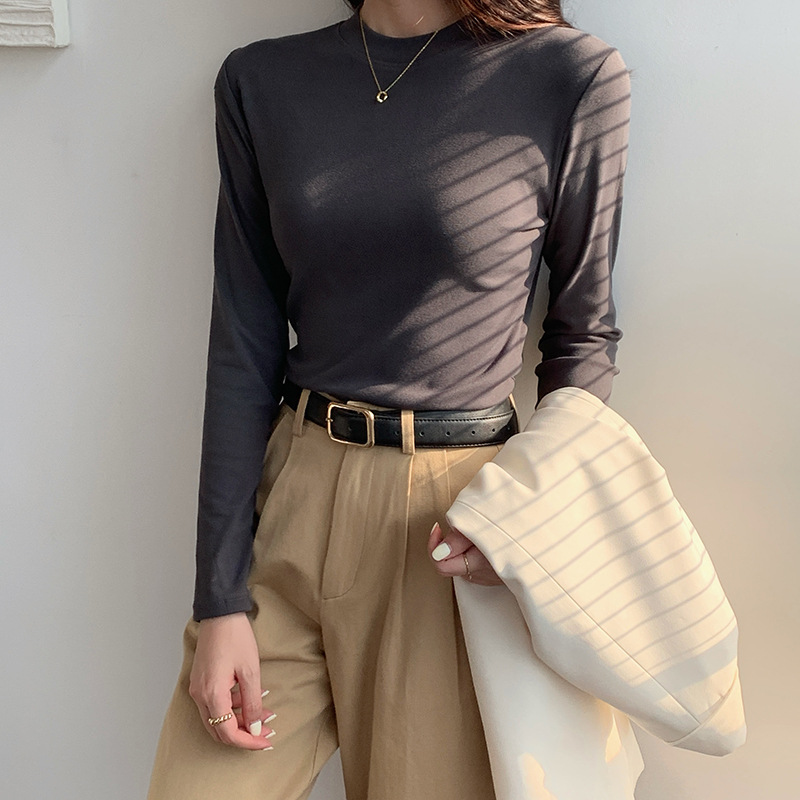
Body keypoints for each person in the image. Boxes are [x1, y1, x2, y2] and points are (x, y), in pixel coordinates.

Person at [146, 0, 631, 798]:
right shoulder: (261, 81)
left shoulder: (567, 75)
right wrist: (219, 601)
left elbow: (582, 334)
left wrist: (528, 516)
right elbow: (242, 348)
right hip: (295, 496)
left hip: (451, 526)